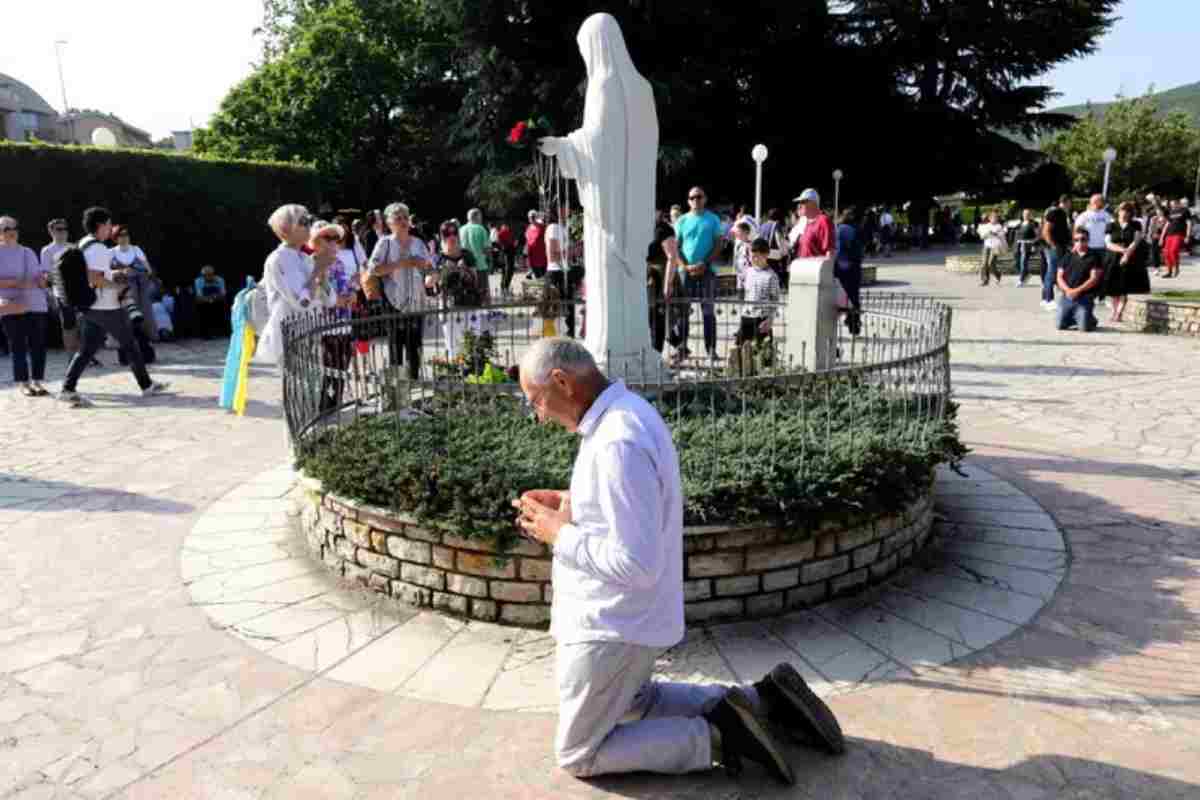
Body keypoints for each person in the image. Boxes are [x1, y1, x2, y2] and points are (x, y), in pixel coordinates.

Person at [512, 338, 844, 783]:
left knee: (578, 754)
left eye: (535, 401)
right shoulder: (625, 413)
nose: (538, 415)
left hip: (610, 627)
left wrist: (560, 534)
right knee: (636, 704)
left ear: (561, 382)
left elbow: (637, 564)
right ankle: (765, 700)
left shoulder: (616, 443)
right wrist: (570, 501)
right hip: (624, 625)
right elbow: (628, 505)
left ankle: (716, 737)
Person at [57, 207, 170, 407]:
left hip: (92, 306)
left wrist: (113, 273)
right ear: (101, 225)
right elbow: (94, 277)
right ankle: (146, 386)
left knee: (86, 349)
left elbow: (95, 273)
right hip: (105, 306)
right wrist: (117, 284)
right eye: (109, 224)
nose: (111, 228)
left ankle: (67, 388)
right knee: (130, 344)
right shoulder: (99, 248)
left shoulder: (84, 242)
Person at [256, 204, 330, 366]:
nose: (309, 224)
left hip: (312, 333)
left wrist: (323, 274)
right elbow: (301, 302)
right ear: (285, 229)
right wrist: (318, 271)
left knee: (313, 388)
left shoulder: (305, 258)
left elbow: (329, 299)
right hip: (291, 340)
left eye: (310, 219)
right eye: (303, 221)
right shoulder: (278, 259)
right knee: (298, 388)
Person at [367, 202, 433, 380]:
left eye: (405, 217)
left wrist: (427, 271)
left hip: (416, 300)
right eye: (398, 218)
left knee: (415, 344)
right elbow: (373, 269)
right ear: (389, 223)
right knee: (396, 345)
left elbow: (430, 267)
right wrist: (400, 264)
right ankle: (397, 388)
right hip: (393, 300)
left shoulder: (418, 242)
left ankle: (414, 381)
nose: (403, 221)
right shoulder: (385, 243)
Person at [0, 216, 51, 396]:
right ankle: (23, 383)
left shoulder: (28, 251)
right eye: (6, 228)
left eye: (14, 227)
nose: (11, 231)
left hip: (36, 303)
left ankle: (37, 381)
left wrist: (42, 280)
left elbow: (37, 276)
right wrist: (18, 283)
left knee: (38, 345)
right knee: (18, 346)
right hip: (10, 305)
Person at [674, 186, 722, 363]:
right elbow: (676, 246)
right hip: (685, 272)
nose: (695, 200)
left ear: (705, 198)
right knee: (683, 312)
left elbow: (719, 244)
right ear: (688, 201)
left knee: (708, 311)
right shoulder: (681, 221)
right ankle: (682, 348)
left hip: (707, 271)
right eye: (692, 197)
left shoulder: (713, 220)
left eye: (699, 196)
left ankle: (711, 350)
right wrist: (685, 266)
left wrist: (705, 263)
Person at [429, 220, 482, 360]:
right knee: (453, 344)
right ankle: (456, 371)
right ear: (442, 237)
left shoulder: (467, 255)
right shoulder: (438, 258)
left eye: (454, 233)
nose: (451, 237)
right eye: (446, 234)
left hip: (469, 303)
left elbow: (475, 280)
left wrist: (464, 269)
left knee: (473, 340)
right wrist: (442, 270)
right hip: (448, 306)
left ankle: (474, 371)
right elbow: (428, 283)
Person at [1102, 201, 1150, 324]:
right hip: (1113, 257)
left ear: (1131, 213)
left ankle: (1119, 313)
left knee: (1124, 287)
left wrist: (1127, 254)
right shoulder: (1111, 225)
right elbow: (1108, 243)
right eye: (1122, 210)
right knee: (1113, 287)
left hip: (1131, 257)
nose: (1124, 213)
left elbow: (1136, 241)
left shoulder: (1136, 224)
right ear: (1118, 211)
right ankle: (1113, 311)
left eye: (1127, 211)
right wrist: (1123, 250)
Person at [110, 226, 156, 341]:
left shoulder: (136, 249)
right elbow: (105, 272)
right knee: (128, 313)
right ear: (115, 238)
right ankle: (129, 339)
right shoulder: (111, 252)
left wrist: (145, 273)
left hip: (141, 283)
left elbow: (148, 269)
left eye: (126, 234)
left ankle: (148, 338)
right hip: (124, 285)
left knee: (146, 310)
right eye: (121, 235)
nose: (125, 237)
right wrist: (120, 271)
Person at [1056, 226, 1104, 332]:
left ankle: (1090, 319)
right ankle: (1077, 316)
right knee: (1060, 326)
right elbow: (1059, 277)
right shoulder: (1067, 256)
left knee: (1084, 328)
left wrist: (1077, 291)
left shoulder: (1094, 257)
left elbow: (1094, 279)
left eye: (1083, 239)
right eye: (1076, 240)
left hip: (1084, 297)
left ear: (1088, 240)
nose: (1080, 242)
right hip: (1067, 296)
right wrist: (1068, 291)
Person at [738, 237, 780, 353]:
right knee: (743, 350)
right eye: (752, 256)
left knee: (762, 352)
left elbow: (775, 300)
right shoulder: (748, 272)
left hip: (762, 319)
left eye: (758, 256)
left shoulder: (771, 276)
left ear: (766, 255)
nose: (755, 259)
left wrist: (770, 320)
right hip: (747, 316)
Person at [646, 210, 680, 353]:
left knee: (658, 321)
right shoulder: (642, 226)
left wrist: (668, 284)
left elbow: (672, 257)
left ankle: (658, 354)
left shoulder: (664, 229)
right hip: (647, 278)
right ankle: (678, 346)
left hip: (661, 279)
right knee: (650, 319)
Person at [1040, 195, 1072, 311]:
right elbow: (1046, 230)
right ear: (1066, 202)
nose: (1071, 205)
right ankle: (1049, 299)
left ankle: (1044, 299)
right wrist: (1053, 245)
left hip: (1061, 246)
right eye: (1070, 203)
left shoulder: (1063, 214)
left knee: (1055, 271)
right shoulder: (1056, 212)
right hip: (1054, 246)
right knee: (1052, 272)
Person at [834, 208, 864, 334]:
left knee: (839, 295)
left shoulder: (837, 229)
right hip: (851, 267)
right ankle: (853, 323)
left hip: (838, 267)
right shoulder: (851, 230)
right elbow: (857, 251)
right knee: (853, 296)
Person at [794, 189, 835, 259]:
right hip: (802, 268)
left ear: (813, 203)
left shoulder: (823, 221)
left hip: (814, 269)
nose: (799, 205)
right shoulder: (806, 223)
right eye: (799, 202)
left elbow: (829, 253)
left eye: (803, 202)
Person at [193, 266, 228, 338]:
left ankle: (220, 331)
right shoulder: (198, 281)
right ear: (202, 276)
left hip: (217, 300)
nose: (208, 277)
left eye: (210, 275)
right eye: (206, 275)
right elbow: (199, 296)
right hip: (204, 301)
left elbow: (223, 294)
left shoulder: (220, 280)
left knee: (220, 307)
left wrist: (214, 298)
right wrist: (209, 300)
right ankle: (205, 333)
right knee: (204, 308)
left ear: (213, 274)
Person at [1160, 198, 1191, 279]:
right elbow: (1167, 224)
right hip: (1169, 234)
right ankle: (1169, 271)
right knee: (1166, 253)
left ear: (1178, 203)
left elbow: (1189, 223)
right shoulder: (1170, 212)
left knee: (1173, 251)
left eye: (1174, 204)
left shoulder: (1184, 211)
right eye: (1171, 205)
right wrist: (1162, 237)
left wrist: (1187, 235)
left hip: (1179, 234)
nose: (1172, 206)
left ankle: (1176, 268)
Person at [459, 208, 492, 282]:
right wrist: (490, 262)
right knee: (482, 291)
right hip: (480, 266)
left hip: (465, 267)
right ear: (478, 217)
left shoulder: (460, 230)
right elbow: (487, 249)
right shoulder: (480, 229)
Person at [977, 211, 1006, 287]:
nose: (994, 219)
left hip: (995, 246)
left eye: (996, 218)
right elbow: (982, 236)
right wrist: (986, 233)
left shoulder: (999, 226)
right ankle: (985, 280)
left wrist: (995, 233)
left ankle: (997, 275)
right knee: (984, 263)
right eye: (993, 217)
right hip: (987, 245)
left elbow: (1002, 235)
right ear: (989, 218)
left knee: (991, 264)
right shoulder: (986, 226)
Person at [1014, 209, 1039, 287]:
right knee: (1017, 263)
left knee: (1023, 262)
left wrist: (1034, 244)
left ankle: (1021, 280)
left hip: (1028, 245)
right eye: (1024, 214)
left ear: (1030, 215)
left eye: (1028, 214)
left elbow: (1038, 235)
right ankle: (1027, 274)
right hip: (1019, 245)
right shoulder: (1020, 223)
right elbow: (1016, 234)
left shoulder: (1033, 224)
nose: (1026, 215)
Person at [731, 220, 754, 295]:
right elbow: (735, 257)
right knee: (740, 291)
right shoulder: (737, 244)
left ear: (746, 232)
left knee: (748, 293)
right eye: (737, 231)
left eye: (739, 231)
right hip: (739, 272)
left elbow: (752, 260)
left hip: (748, 273)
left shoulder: (750, 245)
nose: (737, 233)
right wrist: (734, 267)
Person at [525, 210, 548, 280]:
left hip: (543, 256)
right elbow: (527, 242)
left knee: (544, 277)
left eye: (533, 217)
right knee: (538, 278)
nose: (532, 218)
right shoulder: (528, 229)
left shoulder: (543, 227)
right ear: (529, 219)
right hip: (533, 257)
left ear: (536, 217)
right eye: (530, 217)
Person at [497, 221, 517, 297]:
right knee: (509, 271)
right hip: (509, 252)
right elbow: (513, 242)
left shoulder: (500, 232)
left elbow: (499, 243)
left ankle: (503, 288)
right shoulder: (507, 232)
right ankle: (506, 288)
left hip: (503, 253)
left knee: (504, 271)